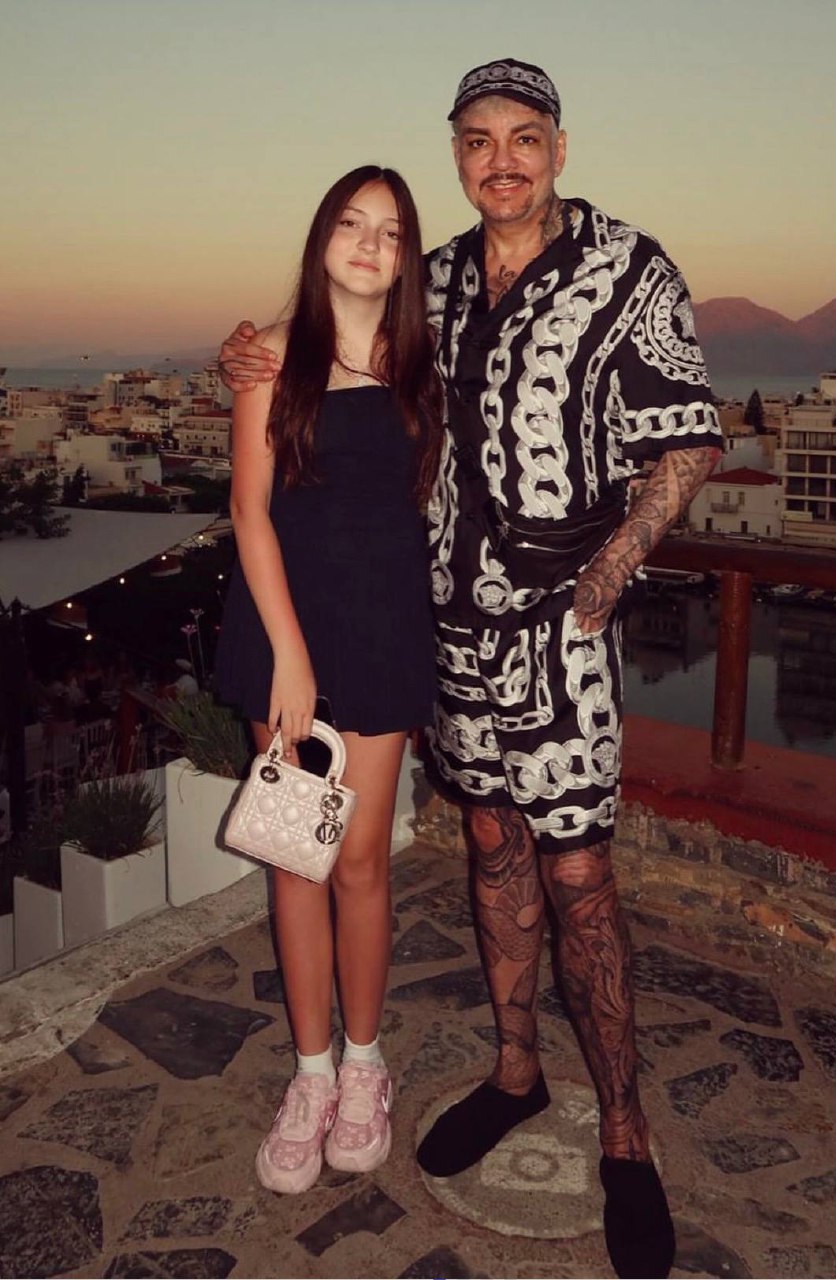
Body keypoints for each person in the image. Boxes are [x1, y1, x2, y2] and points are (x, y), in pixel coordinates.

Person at [219, 61, 722, 1279]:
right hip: (443, 626)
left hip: (560, 629)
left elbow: (685, 444)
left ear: (558, 147)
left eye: (524, 136)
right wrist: (247, 350)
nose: (502, 159)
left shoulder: (628, 267)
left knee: (578, 872)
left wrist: (601, 587)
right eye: (478, 139)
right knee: (491, 846)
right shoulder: (432, 283)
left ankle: (624, 1133)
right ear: (456, 154)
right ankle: (512, 1069)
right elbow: (325, 358)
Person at [214, 164, 442, 1195]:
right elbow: (250, 512)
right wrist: (290, 656)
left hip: (385, 630)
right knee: (295, 860)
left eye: (389, 232)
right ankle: (309, 1076)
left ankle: (363, 1065)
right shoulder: (269, 358)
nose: (368, 243)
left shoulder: (422, 361)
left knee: (359, 864)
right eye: (352, 223)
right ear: (321, 239)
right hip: (287, 634)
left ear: (405, 258)